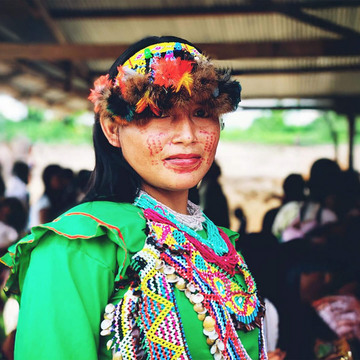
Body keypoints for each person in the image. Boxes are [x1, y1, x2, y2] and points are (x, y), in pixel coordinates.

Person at [2, 36, 267, 360]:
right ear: (113, 128)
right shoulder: (79, 245)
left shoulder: (219, 243)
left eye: (201, 111)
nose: (188, 135)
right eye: (159, 112)